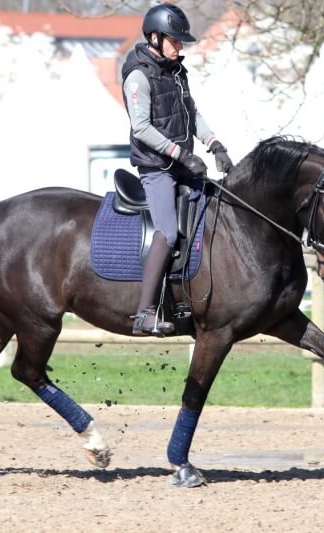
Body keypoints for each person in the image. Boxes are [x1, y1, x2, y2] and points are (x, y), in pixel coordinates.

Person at [121, 3, 234, 336]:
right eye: (174, 40)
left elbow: (192, 113)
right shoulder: (138, 76)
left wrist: (216, 145)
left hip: (181, 165)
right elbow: (141, 127)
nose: (179, 46)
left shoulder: (176, 71)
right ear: (154, 37)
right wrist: (182, 157)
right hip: (156, 169)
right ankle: (144, 312)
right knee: (168, 233)